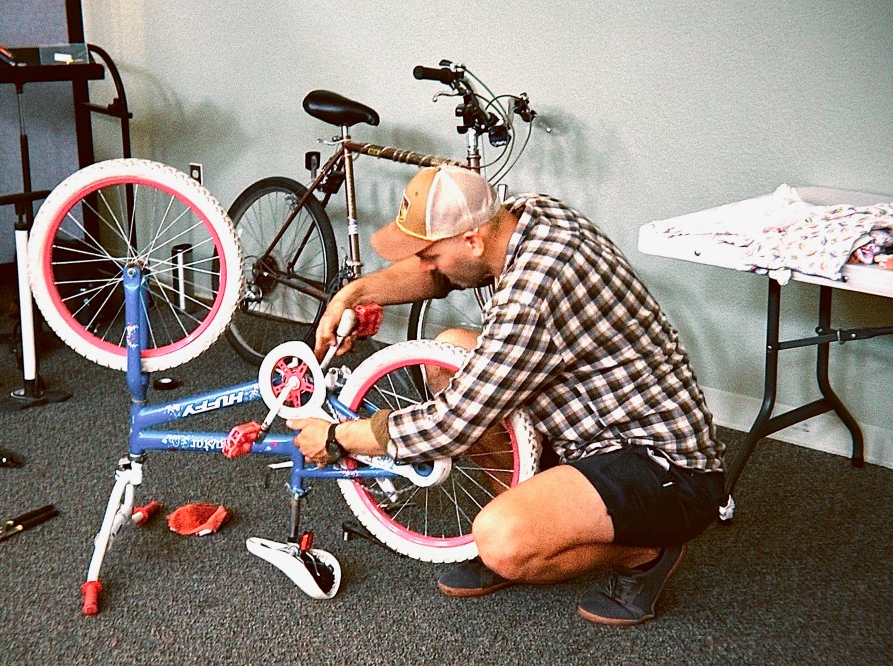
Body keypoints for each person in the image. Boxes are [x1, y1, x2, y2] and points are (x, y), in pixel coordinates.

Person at [285, 164, 726, 626]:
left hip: (662, 466)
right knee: (450, 350)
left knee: (501, 542)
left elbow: (448, 425)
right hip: (586, 415)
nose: (425, 264)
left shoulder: (535, 291)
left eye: (429, 253)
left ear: (472, 239)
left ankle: (645, 553)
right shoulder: (524, 214)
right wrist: (352, 294)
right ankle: (530, 507)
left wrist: (337, 436)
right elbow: (440, 276)